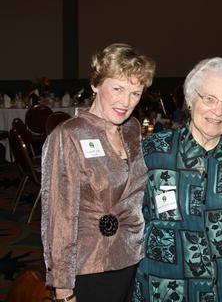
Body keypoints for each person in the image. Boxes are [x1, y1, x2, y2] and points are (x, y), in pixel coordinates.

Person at [134, 57, 222, 302]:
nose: (218, 111)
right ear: (191, 99)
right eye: (209, 99)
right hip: (168, 284)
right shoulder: (153, 152)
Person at [41, 43, 156, 302]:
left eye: (135, 93)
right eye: (118, 89)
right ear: (95, 84)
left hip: (132, 256)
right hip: (89, 264)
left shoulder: (132, 129)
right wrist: (62, 288)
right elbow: (59, 216)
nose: (126, 102)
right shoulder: (68, 135)